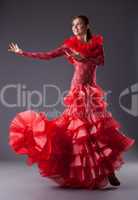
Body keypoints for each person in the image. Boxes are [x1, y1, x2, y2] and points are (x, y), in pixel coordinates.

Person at [8, 15, 135, 189]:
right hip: (77, 91)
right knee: (78, 131)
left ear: (86, 26)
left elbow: (101, 61)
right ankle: (77, 170)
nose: (75, 28)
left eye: (78, 25)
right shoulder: (68, 46)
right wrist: (21, 52)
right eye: (73, 25)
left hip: (90, 91)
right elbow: (48, 55)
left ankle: (109, 170)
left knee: (96, 129)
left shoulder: (96, 44)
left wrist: (83, 57)